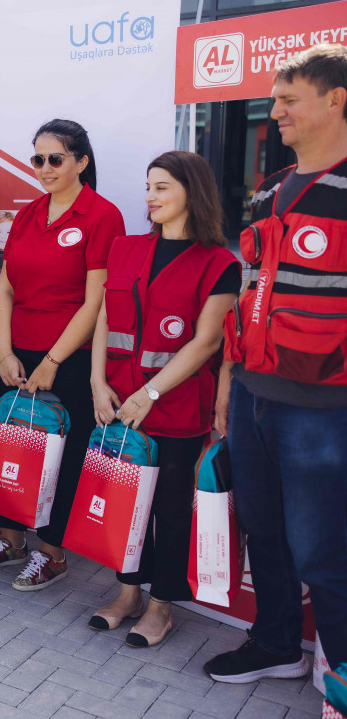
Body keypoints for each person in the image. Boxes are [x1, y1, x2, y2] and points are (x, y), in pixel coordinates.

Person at [206, 43, 347, 684]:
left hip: (323, 408)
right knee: (262, 531)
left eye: (289, 100)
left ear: (335, 100)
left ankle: (340, 672)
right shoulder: (267, 191)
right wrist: (228, 386)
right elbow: (249, 294)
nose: (276, 112)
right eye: (275, 99)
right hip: (252, 395)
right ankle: (278, 644)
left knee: (323, 549)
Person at [88, 151, 239, 646]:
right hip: (117, 404)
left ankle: (161, 606)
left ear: (191, 194)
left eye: (162, 188)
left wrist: (150, 392)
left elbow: (206, 342)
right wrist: (96, 381)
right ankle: (128, 593)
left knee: (169, 513)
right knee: (125, 505)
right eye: (148, 186)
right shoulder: (125, 248)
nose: (149, 197)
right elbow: (106, 318)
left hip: (173, 408)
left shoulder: (219, 263)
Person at [0, 119, 125, 590]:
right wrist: (6, 351)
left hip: (69, 358)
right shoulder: (28, 213)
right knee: (7, 445)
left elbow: (95, 302)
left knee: (62, 455)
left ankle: (52, 553)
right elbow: (5, 289)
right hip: (17, 354)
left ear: (82, 161)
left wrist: (53, 361)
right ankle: (10, 539)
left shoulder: (102, 215)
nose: (44, 168)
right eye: (37, 158)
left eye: (55, 158)